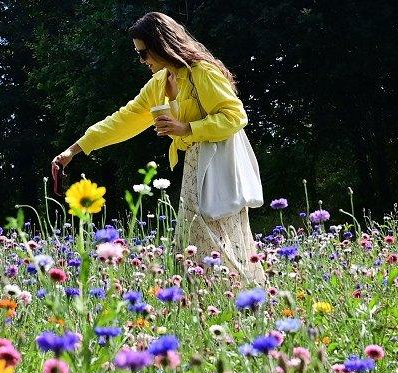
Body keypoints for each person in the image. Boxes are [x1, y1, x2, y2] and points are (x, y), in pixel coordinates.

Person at [51, 11, 264, 285]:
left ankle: (247, 298)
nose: (142, 61)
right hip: (196, 164)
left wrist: (187, 128)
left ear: (162, 46)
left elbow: (235, 116)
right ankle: (209, 300)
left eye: (144, 53)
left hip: (220, 163)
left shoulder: (202, 73)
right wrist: (74, 150)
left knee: (221, 238)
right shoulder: (160, 83)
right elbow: (123, 120)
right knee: (194, 240)